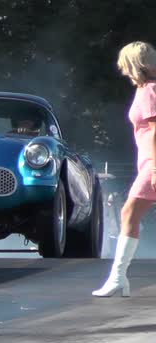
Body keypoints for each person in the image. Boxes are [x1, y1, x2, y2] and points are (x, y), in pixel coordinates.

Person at [92, 41, 156, 297]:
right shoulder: (146, 90)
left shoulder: (150, 90)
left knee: (129, 211)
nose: (122, 71)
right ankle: (119, 278)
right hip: (149, 162)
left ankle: (118, 278)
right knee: (129, 213)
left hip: (153, 162)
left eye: (125, 66)